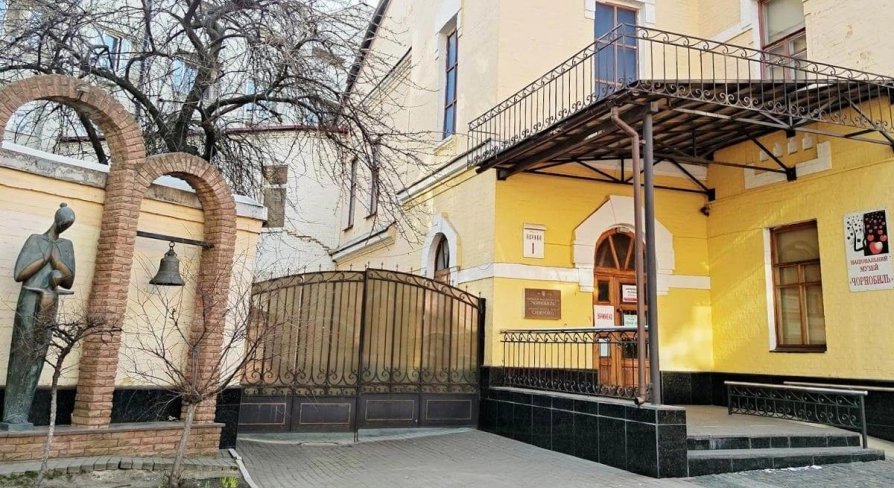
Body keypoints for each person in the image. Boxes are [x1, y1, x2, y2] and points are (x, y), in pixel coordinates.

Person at [1, 203, 76, 430]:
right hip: (29, 299)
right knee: (22, 350)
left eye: (69, 225)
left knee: (39, 352)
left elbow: (69, 279)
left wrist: (57, 271)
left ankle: (22, 413)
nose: (65, 228)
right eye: (64, 223)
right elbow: (19, 274)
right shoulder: (36, 240)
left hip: (50, 300)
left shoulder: (66, 245)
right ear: (57, 220)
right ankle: (11, 413)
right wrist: (46, 258)